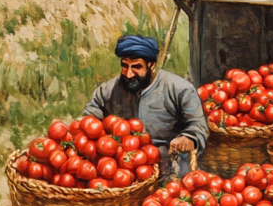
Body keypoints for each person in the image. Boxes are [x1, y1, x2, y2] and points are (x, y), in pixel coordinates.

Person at [84, 34, 207, 179]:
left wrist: (189, 138)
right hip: (125, 177)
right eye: (124, 66)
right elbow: (88, 119)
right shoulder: (108, 91)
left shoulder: (180, 89)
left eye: (136, 67)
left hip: (169, 176)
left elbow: (198, 126)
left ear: (151, 65)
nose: (129, 74)